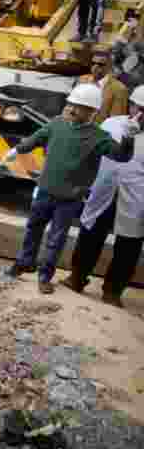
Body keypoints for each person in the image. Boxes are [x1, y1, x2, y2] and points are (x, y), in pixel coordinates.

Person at [2, 83, 138, 293]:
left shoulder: (98, 137)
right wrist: (18, 149)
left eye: (79, 106)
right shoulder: (57, 124)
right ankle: (24, 263)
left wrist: (128, 139)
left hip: (69, 199)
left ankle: (45, 276)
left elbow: (121, 156)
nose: (73, 109)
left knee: (56, 239)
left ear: (92, 111)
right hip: (45, 191)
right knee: (32, 230)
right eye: (71, 104)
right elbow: (38, 137)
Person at [63, 87, 144, 307]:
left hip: (136, 199)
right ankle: (77, 278)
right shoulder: (111, 124)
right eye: (139, 108)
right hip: (103, 191)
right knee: (90, 235)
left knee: (128, 246)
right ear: (131, 105)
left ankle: (112, 291)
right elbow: (92, 151)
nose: (142, 114)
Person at [80, 50, 128, 124]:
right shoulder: (82, 80)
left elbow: (115, 120)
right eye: (93, 63)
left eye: (100, 64)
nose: (95, 67)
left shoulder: (119, 89)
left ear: (109, 66)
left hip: (98, 131)